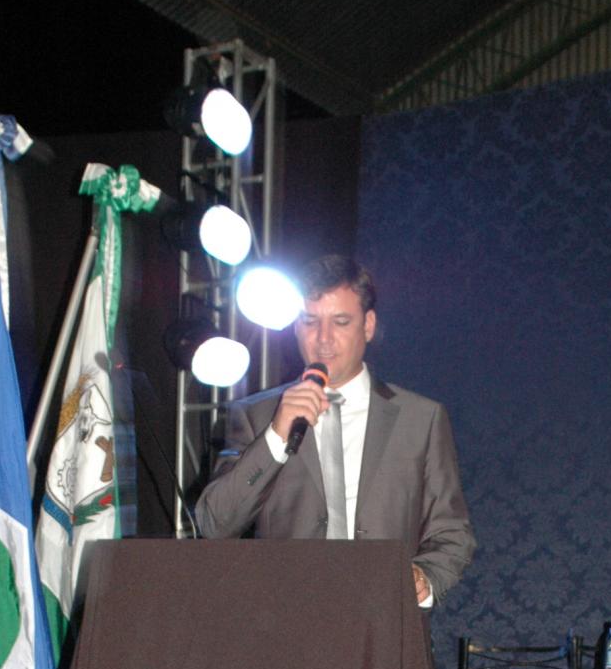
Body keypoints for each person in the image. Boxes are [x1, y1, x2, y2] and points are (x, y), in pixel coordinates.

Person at [194, 255, 475, 612]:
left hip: (384, 621)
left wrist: (426, 576)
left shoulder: (421, 419)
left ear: (368, 325)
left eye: (340, 322)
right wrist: (276, 437)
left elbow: (452, 533)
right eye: (310, 321)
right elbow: (214, 524)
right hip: (283, 625)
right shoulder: (256, 415)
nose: (323, 338)